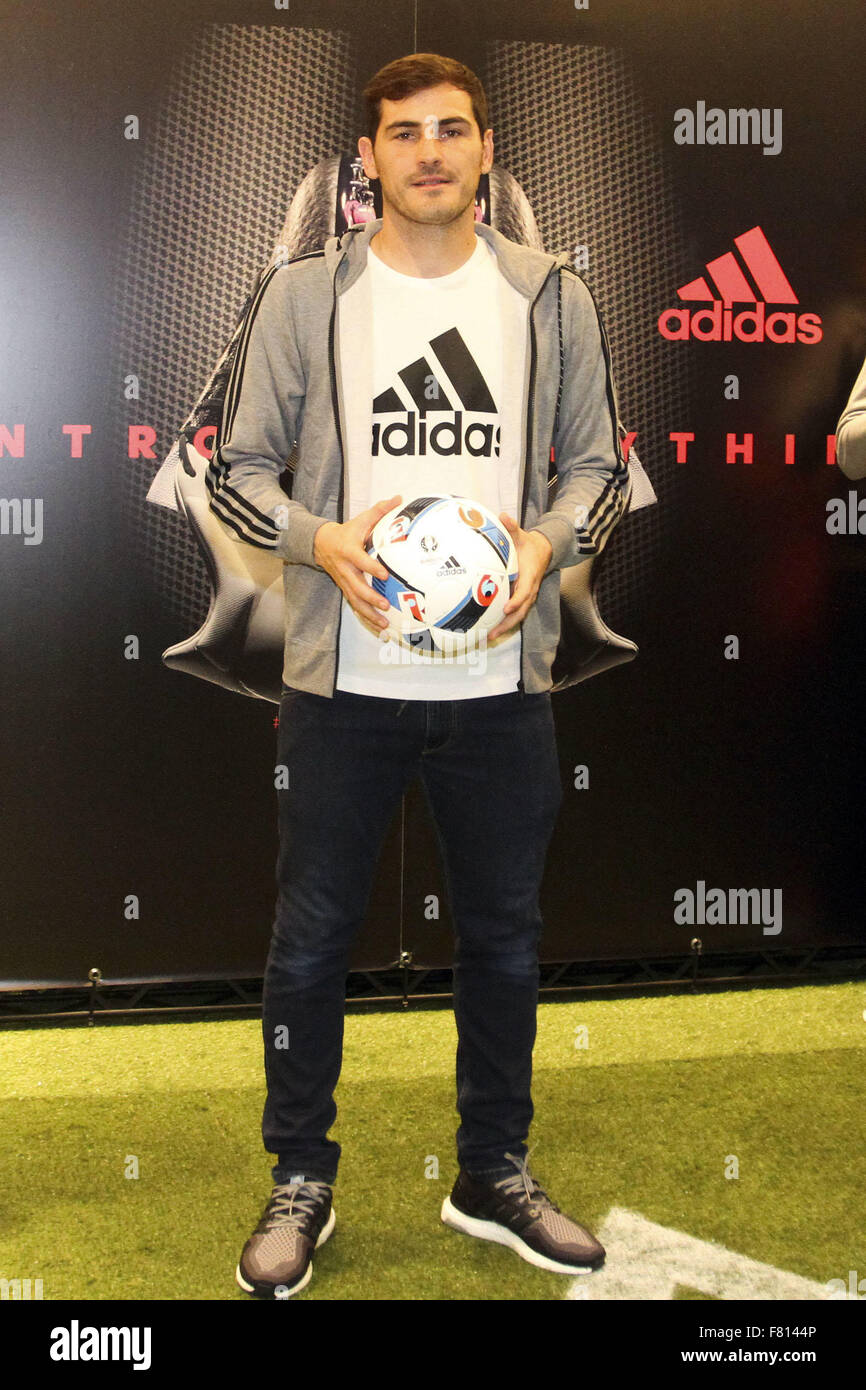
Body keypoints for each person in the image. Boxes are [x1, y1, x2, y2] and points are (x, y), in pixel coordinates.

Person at [208, 52, 631, 1300]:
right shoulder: (304, 294)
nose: (431, 152)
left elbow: (598, 470)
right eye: (405, 133)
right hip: (345, 685)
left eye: (453, 130)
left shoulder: (551, 294)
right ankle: (301, 1173)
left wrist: (542, 550)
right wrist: (325, 543)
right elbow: (240, 468)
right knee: (309, 945)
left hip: (501, 684)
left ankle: (491, 1168)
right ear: (370, 159)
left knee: (501, 938)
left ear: (487, 151)